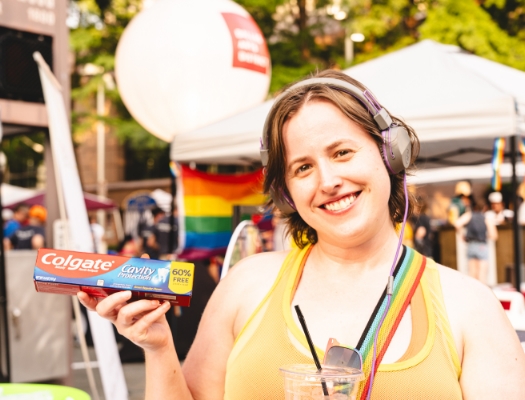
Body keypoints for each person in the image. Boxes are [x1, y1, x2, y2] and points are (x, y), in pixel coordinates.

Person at [78, 71, 525, 399]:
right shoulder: (247, 285)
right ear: (287, 191)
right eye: (303, 167)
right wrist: (158, 348)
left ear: (389, 155)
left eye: (342, 152)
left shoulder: (468, 306)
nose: (327, 180)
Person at [454, 202, 498, 285]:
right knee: (482, 275)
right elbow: (494, 235)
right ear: (484, 208)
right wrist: (486, 237)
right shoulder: (485, 218)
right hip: (482, 245)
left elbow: (457, 224)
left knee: (472, 275)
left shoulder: (469, 215)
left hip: (471, 245)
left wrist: (461, 235)